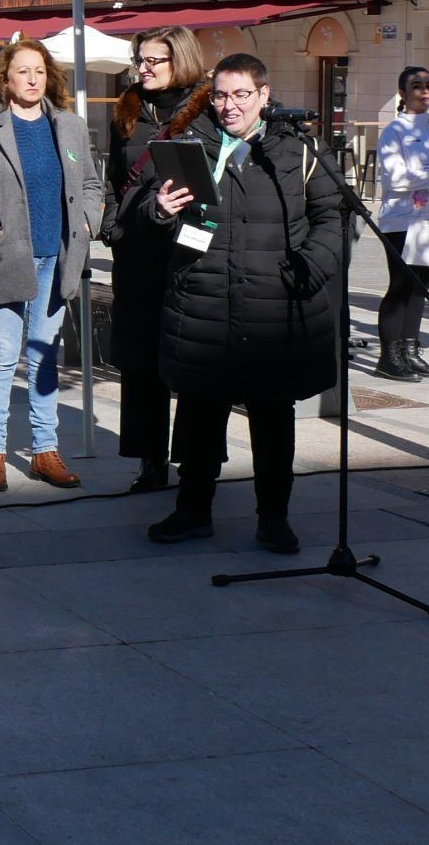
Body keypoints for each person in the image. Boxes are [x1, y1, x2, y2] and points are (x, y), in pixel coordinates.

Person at [132, 52, 342, 554]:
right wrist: (158, 210)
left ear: (264, 95)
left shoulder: (300, 149)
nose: (229, 106)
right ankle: (192, 511)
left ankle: (274, 519)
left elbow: (334, 217)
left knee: (272, 418)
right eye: (221, 95)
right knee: (200, 416)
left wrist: (311, 267)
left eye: (241, 95)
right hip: (203, 302)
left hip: (275, 305)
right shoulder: (188, 144)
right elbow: (143, 210)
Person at [0, 38, 104, 491]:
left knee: (44, 359)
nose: (32, 79)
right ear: (4, 80)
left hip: (57, 258)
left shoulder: (70, 126)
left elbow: (91, 184)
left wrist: (87, 221)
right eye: (23, 71)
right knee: (3, 357)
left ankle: (45, 450)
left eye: (39, 71)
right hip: (7, 257)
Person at [106, 29, 212, 494]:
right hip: (137, 250)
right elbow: (114, 177)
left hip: (188, 252)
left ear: (180, 61)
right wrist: (111, 225)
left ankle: (195, 460)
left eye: (154, 60)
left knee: (192, 358)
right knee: (141, 361)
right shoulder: (128, 110)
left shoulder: (207, 110)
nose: (143, 68)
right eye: (140, 59)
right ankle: (150, 459)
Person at [371, 65, 429, 382]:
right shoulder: (394, 132)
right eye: (416, 85)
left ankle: (410, 351)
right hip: (402, 220)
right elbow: (396, 179)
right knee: (401, 286)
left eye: (428, 85)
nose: (424, 91)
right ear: (402, 93)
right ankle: (389, 356)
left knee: (420, 289)